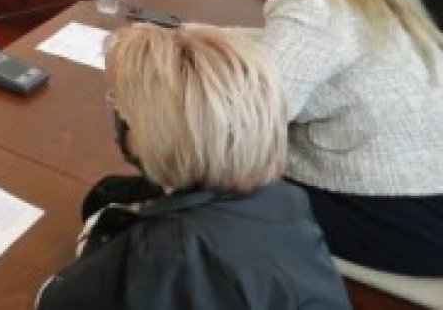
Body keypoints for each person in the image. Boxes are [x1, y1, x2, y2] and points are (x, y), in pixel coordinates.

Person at [36, 24, 349, 309]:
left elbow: (50, 300)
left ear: (153, 133)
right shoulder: (286, 198)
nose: (116, 113)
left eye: (119, 104)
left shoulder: (165, 252)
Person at [243, 0, 443, 277]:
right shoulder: (380, 1)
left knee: (211, 188)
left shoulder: (310, 2)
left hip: (391, 218)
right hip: (429, 205)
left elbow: (255, 116)